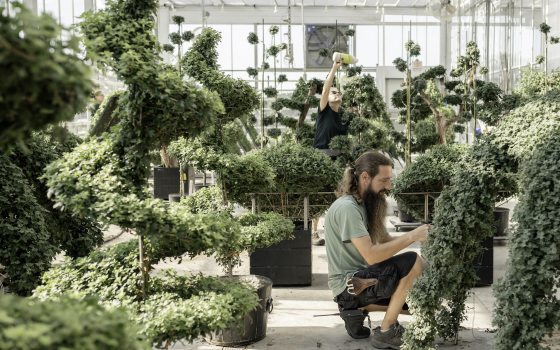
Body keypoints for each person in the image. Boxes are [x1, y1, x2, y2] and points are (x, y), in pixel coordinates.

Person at [324, 151, 429, 349]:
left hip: (362, 282)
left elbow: (385, 241)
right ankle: (386, 331)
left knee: (418, 300)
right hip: (350, 286)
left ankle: (354, 312)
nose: (388, 187)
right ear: (365, 177)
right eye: (384, 180)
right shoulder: (348, 208)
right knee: (413, 261)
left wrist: (421, 241)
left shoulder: (365, 204)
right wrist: (412, 236)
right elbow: (372, 255)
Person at [311, 59, 349, 246]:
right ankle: (314, 232)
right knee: (318, 193)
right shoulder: (324, 110)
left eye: (338, 92)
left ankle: (334, 231)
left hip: (337, 159)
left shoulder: (343, 118)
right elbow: (325, 89)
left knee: (339, 194)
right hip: (321, 156)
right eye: (333, 92)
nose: (335, 93)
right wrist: (334, 67)